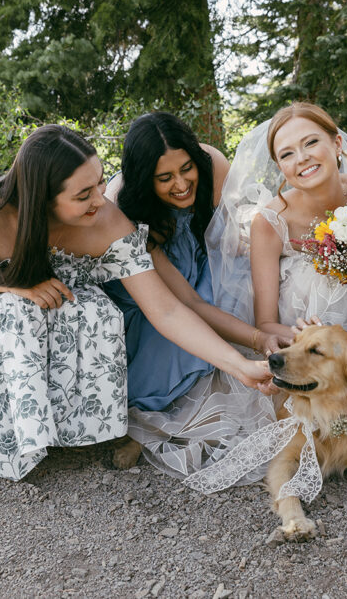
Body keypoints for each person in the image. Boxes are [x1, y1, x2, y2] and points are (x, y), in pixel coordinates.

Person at [0, 124, 271, 481]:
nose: (101, 198)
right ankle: (10, 434)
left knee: (98, 313)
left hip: (57, 305)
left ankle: (65, 428)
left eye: (100, 182)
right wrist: (4, 284)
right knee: (16, 311)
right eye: (84, 194)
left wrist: (240, 365)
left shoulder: (107, 222)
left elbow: (167, 309)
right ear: (42, 197)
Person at [208, 102, 347, 459]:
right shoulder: (270, 221)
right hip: (310, 355)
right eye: (287, 154)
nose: (301, 158)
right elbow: (265, 322)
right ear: (280, 167)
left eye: (310, 142)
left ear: (337, 144)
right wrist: (294, 335)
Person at [102, 112, 285, 478]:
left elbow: (223, 233)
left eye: (186, 169)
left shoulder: (213, 163)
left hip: (199, 258)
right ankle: (145, 422)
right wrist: (256, 337)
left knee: (253, 283)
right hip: (151, 287)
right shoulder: (124, 206)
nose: (182, 184)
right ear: (143, 179)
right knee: (184, 336)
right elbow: (185, 304)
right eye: (164, 178)